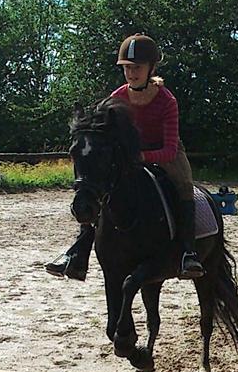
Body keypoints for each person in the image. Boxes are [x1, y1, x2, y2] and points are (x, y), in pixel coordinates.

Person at [46, 34, 204, 281]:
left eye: (137, 68)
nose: (131, 73)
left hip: (165, 154)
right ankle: (79, 251)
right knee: (98, 189)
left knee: (184, 186)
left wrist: (140, 156)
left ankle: (187, 252)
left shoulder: (167, 100)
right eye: (127, 68)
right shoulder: (116, 97)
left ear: (151, 68)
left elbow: (170, 149)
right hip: (128, 157)